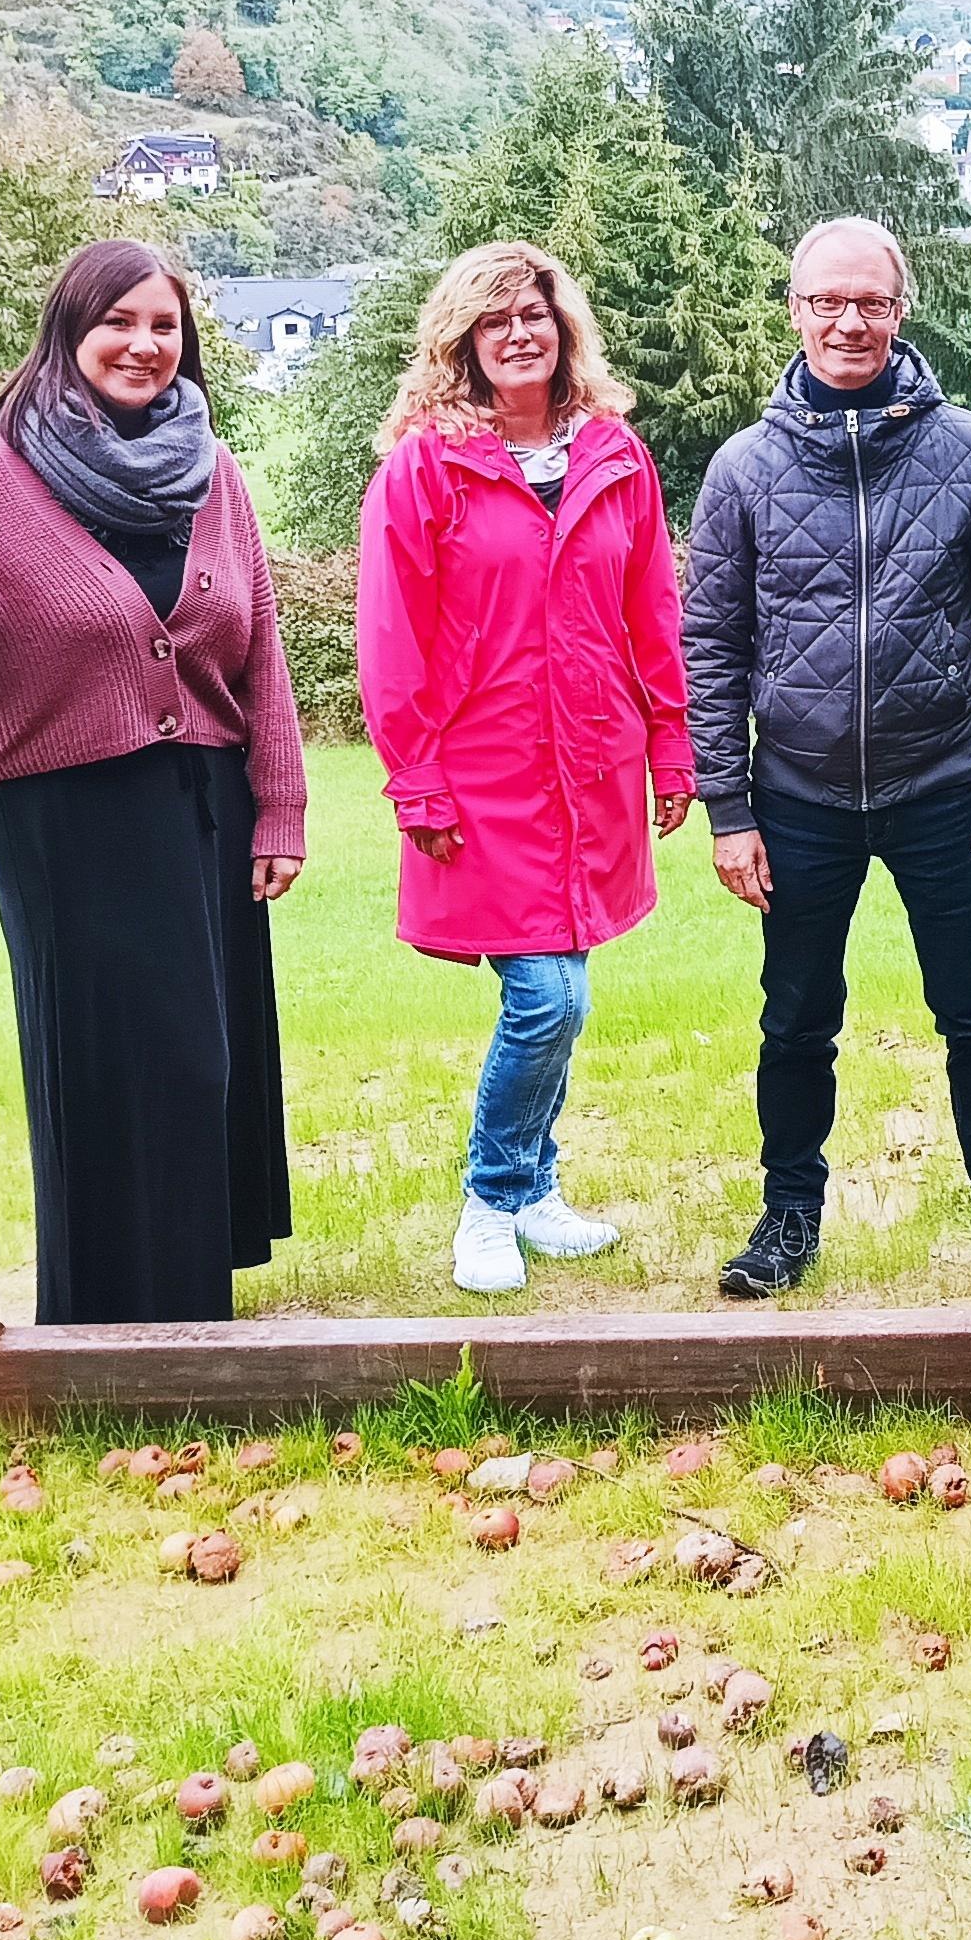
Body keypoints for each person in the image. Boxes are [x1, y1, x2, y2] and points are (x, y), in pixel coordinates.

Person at [684, 218, 971, 1299]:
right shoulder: (745, 468)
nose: (849, 321)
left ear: (901, 311)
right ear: (795, 311)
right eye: (828, 301)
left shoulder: (968, 451)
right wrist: (727, 808)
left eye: (870, 302)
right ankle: (786, 1219)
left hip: (945, 786)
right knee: (796, 1021)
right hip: (795, 797)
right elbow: (709, 645)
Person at [0, 239, 303, 1325]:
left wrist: (281, 804)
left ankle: (188, 1304)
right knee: (113, 1063)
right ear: (70, 330)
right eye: (119, 322)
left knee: (204, 1060)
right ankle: (107, 1316)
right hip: (69, 814)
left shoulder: (210, 470)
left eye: (164, 326)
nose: (144, 345)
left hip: (203, 802)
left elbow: (259, 646)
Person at [357, 240, 696, 1297]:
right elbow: (392, 638)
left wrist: (672, 743)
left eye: (535, 314)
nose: (518, 333)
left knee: (569, 988)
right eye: (494, 319)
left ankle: (537, 1190)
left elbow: (652, 609)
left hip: (593, 764)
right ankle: (491, 1198)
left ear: (563, 330)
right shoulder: (425, 467)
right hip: (482, 775)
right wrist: (416, 777)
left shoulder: (614, 455)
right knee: (546, 997)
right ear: (461, 342)